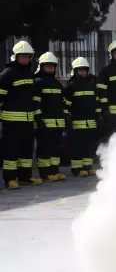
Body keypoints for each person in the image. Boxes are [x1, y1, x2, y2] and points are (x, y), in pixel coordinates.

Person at [0, 41, 42, 189]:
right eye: (23, 56)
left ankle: (25, 177)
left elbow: (31, 98)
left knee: (26, 151)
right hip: (11, 122)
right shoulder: (7, 74)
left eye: (28, 56)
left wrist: (36, 117)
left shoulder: (29, 74)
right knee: (11, 151)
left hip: (27, 121)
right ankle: (10, 179)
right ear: (16, 57)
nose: (26, 59)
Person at [33, 52, 67, 182]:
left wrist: (66, 117)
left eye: (52, 67)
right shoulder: (38, 82)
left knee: (55, 150)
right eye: (47, 67)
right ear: (41, 67)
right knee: (44, 150)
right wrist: (39, 120)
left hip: (57, 124)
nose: (50, 69)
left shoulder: (57, 83)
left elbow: (62, 103)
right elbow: (35, 103)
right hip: (44, 124)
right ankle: (45, 173)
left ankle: (55, 170)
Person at [65, 57, 101, 176]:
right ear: (75, 71)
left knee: (89, 146)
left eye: (84, 70)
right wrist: (68, 119)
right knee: (77, 147)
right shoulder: (71, 86)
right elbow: (67, 106)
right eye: (80, 70)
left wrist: (98, 115)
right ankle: (77, 169)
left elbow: (96, 101)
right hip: (77, 123)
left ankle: (87, 167)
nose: (83, 72)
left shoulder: (92, 84)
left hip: (91, 122)